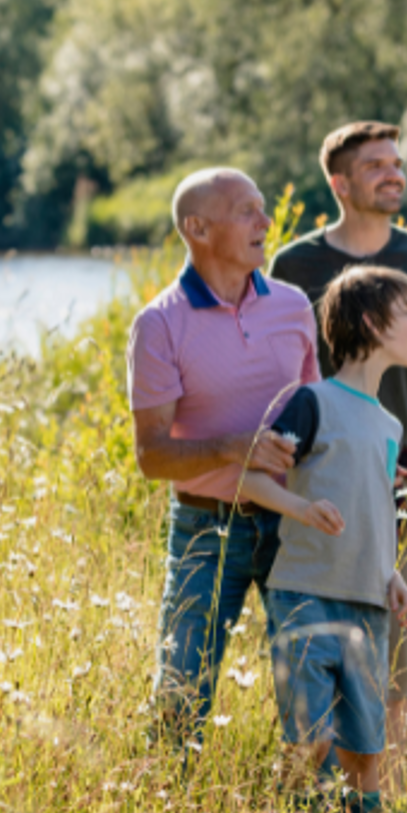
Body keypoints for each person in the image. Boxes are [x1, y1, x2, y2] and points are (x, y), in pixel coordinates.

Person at [270, 121, 407, 791]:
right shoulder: (294, 266)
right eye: (375, 166)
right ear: (339, 183)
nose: (393, 175)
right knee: (315, 643)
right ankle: (312, 797)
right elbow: (288, 372)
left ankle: (379, 799)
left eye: (397, 163)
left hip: (404, 472)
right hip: (320, 471)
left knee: (397, 647)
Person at [235, 267, 407, 813]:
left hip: (369, 604)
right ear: (371, 322)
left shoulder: (390, 425)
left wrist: (393, 577)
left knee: (366, 749)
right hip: (303, 594)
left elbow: (372, 512)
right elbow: (252, 479)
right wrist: (302, 506)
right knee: (309, 742)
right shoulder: (310, 400)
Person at [126, 167, 320, 745]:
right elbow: (152, 456)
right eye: (247, 211)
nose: (265, 222)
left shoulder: (293, 306)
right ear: (198, 228)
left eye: (264, 208)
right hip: (206, 533)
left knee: (313, 694)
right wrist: (237, 449)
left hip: (295, 524)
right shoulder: (159, 324)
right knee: (180, 700)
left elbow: (318, 411)